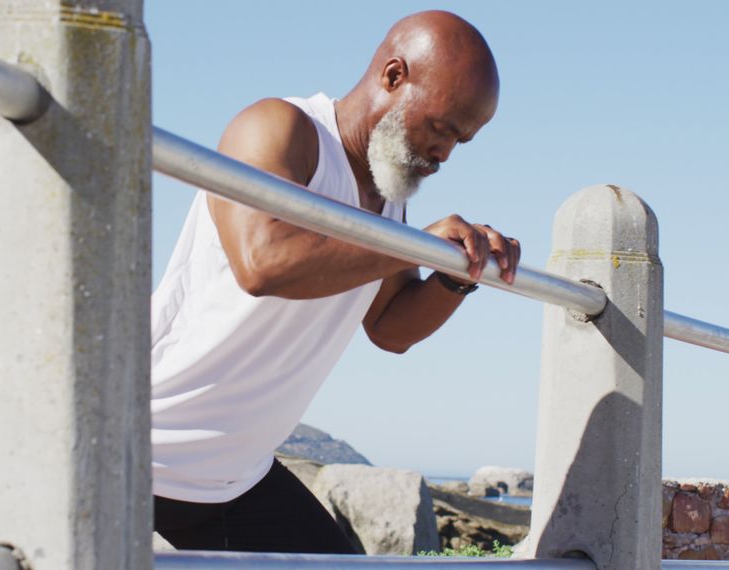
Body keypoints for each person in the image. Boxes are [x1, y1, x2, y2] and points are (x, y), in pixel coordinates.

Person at [150, 10, 520, 554]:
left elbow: (391, 330)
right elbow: (263, 262)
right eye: (441, 127)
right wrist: (409, 242)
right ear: (394, 76)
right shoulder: (281, 128)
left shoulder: (388, 198)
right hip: (145, 449)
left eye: (461, 140)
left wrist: (457, 273)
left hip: (235, 478)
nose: (445, 154)